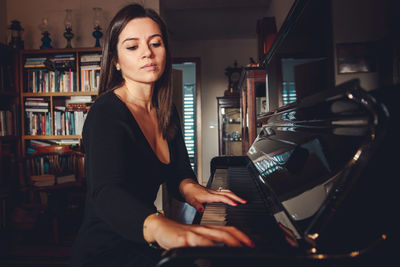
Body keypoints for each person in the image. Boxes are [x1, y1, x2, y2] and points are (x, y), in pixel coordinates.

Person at [70, 3, 253, 267]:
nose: (147, 53)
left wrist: (196, 191)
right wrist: (162, 227)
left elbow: (179, 173)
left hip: (143, 245)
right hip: (106, 251)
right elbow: (105, 192)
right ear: (116, 62)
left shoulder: (167, 108)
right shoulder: (106, 111)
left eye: (155, 43)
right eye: (132, 47)